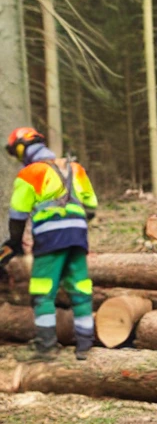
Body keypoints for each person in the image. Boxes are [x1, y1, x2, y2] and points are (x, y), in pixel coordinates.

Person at [4, 127, 98, 360]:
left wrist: (14, 243)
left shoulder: (29, 173)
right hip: (78, 237)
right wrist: (72, 223)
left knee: (42, 291)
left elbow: (17, 215)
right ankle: (85, 344)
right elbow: (92, 207)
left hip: (49, 238)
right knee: (80, 288)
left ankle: (46, 347)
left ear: (20, 149)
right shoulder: (74, 168)